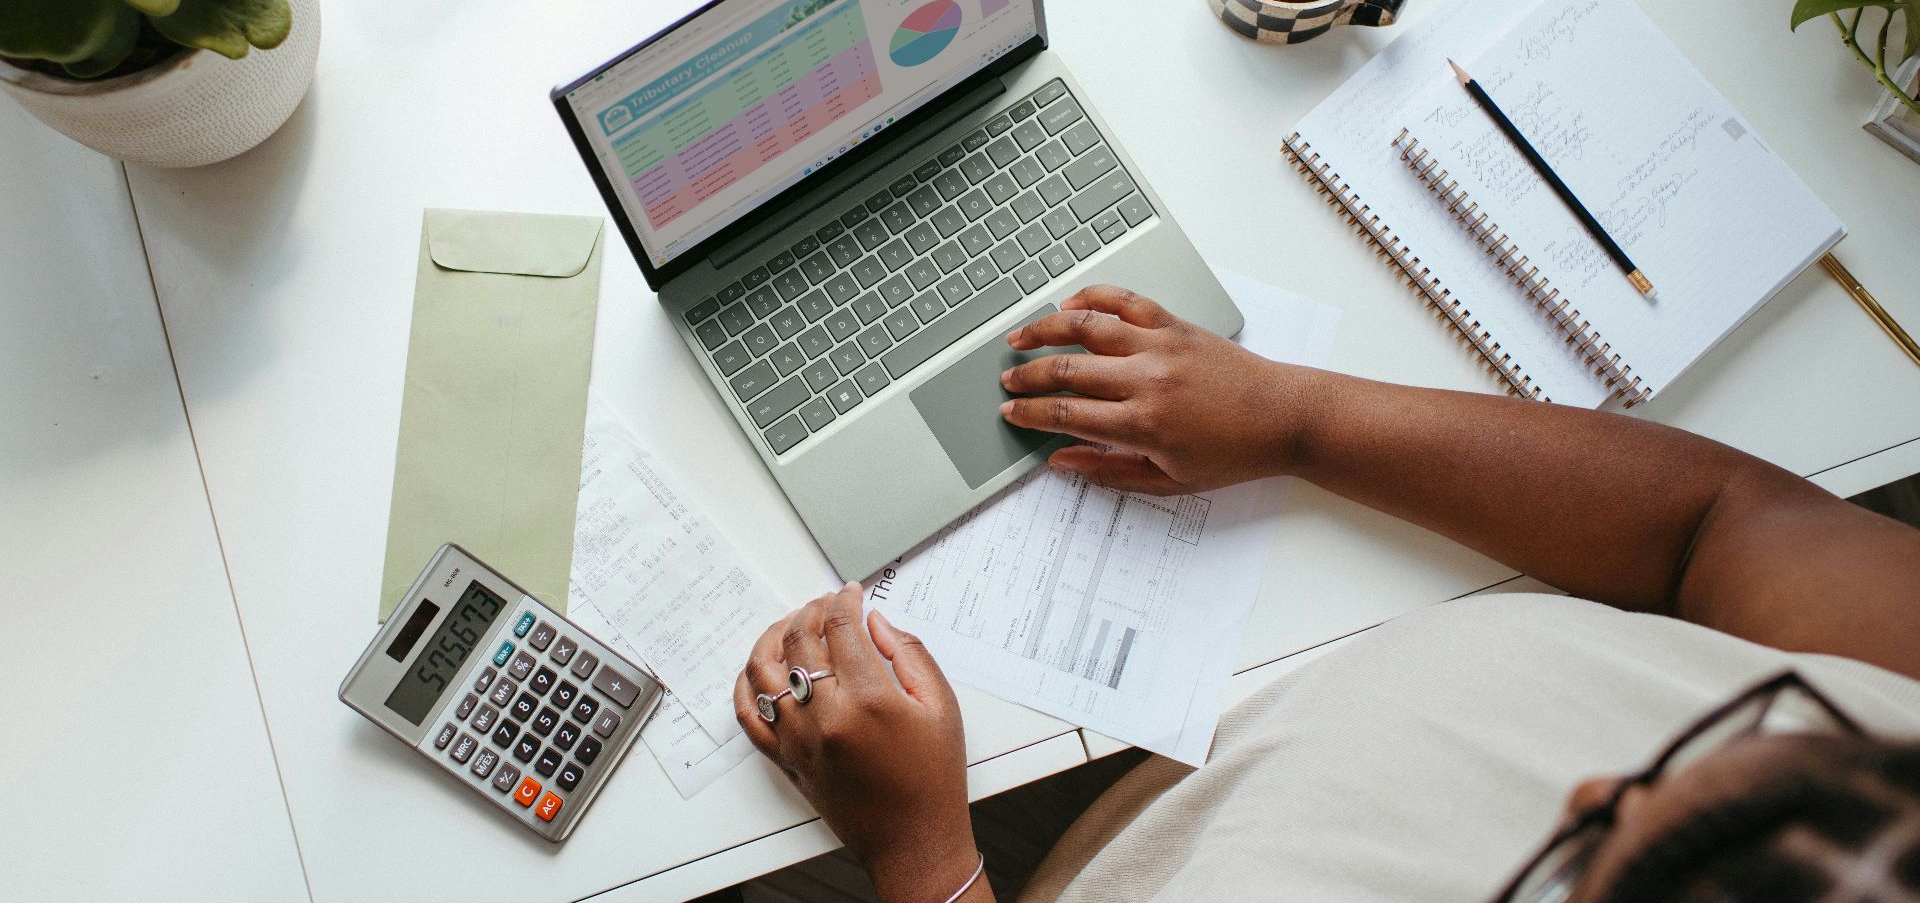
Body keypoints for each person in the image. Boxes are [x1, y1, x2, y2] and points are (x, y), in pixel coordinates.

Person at [733, 286, 1920, 902]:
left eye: (1575, 865)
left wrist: (923, 857)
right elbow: (1723, 523)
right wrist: (1295, 418)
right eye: (1763, 725)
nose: (1599, 782)